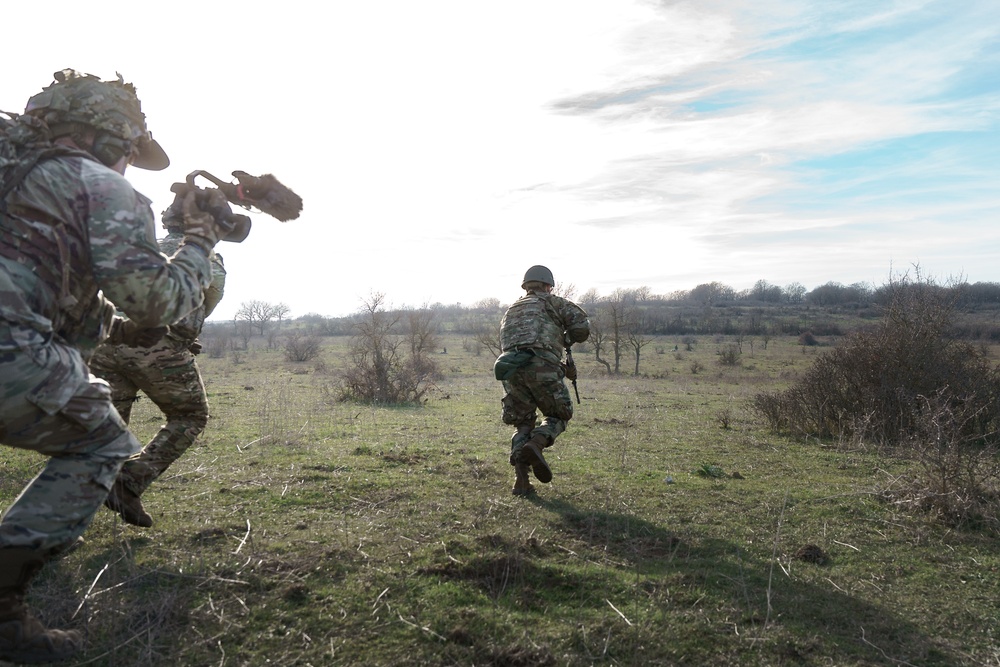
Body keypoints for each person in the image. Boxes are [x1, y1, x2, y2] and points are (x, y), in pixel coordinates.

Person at [0, 69, 232, 663]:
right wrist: (199, 241)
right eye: (129, 150)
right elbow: (155, 302)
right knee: (102, 438)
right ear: (107, 139)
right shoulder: (98, 185)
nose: (129, 163)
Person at [90, 217, 227, 528]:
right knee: (190, 416)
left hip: (106, 339)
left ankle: (64, 520)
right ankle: (130, 481)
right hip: (155, 344)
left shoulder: (139, 245)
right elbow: (211, 297)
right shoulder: (206, 256)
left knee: (106, 429)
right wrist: (183, 335)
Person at [494, 265, 590, 495]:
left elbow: (527, 349)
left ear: (526, 286)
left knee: (523, 422)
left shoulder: (511, 310)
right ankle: (535, 444)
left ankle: (521, 482)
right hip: (543, 366)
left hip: (511, 368)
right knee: (559, 414)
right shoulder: (553, 303)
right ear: (548, 286)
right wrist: (566, 339)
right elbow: (582, 328)